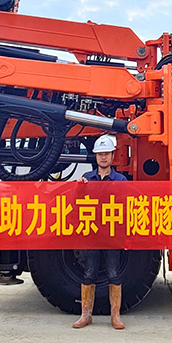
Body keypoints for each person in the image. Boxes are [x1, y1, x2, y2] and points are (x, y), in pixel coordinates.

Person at [73, 134, 128, 330]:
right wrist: (78, 188)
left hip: (112, 234)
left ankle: (115, 317)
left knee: (114, 273)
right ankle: (85, 315)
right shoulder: (87, 179)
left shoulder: (121, 180)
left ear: (113, 156)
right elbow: (76, 203)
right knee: (89, 273)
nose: (103, 157)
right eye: (100, 154)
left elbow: (125, 205)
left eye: (106, 154)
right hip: (92, 233)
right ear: (95, 156)